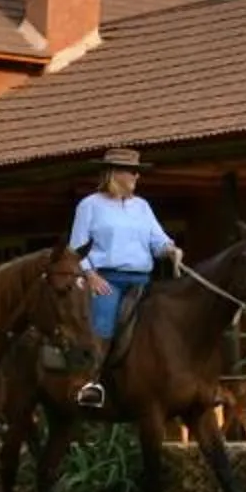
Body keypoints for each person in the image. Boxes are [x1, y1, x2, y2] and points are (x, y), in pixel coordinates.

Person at [66, 147, 176, 408]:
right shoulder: (90, 205)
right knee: (103, 323)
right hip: (107, 279)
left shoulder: (142, 206)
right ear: (115, 173)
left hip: (142, 279)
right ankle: (90, 383)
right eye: (133, 172)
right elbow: (76, 248)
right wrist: (91, 275)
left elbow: (157, 241)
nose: (137, 177)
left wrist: (171, 249)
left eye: (138, 172)